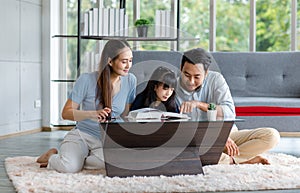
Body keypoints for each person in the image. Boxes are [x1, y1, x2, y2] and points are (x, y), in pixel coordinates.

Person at [36, 40, 136, 172]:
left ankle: (78, 159)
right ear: (110, 61)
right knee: (69, 168)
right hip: (83, 134)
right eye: (124, 61)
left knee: (112, 163)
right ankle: (52, 157)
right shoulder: (86, 80)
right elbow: (65, 113)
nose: (128, 65)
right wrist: (92, 114)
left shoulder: (130, 80)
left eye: (130, 60)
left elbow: (125, 114)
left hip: (106, 139)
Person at [176, 47, 280, 164]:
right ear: (181, 69)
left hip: (227, 134)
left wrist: (199, 105)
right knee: (185, 152)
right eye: (187, 75)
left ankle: (224, 158)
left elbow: (229, 112)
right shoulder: (170, 88)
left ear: (206, 73)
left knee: (272, 136)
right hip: (197, 140)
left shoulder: (216, 80)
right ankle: (242, 160)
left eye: (197, 77)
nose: (191, 81)